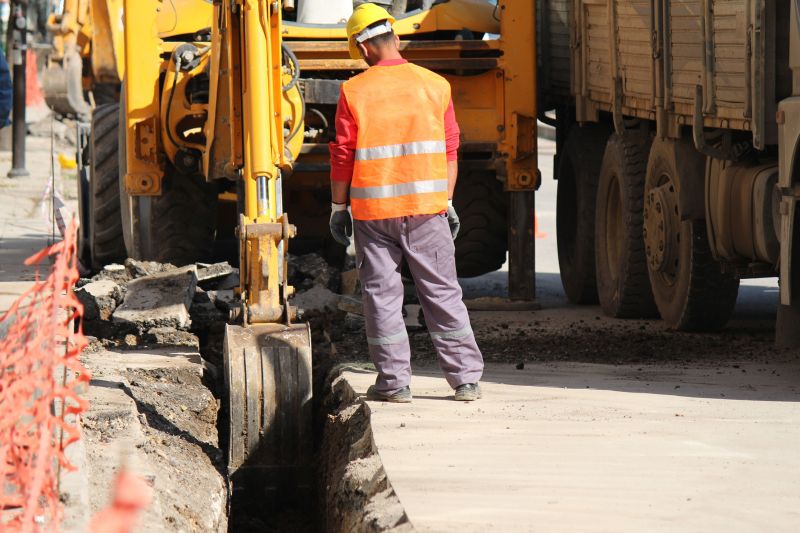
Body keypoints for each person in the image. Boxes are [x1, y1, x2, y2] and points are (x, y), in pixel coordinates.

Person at [328, 3, 484, 403]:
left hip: (374, 216)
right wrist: (447, 200)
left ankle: (394, 383)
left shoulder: (353, 91)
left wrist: (338, 207)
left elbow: (343, 155)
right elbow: (450, 148)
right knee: (442, 292)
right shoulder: (436, 85)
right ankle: (465, 380)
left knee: (382, 297)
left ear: (362, 49)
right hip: (427, 210)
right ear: (395, 38)